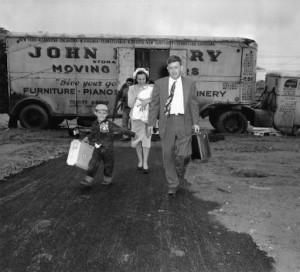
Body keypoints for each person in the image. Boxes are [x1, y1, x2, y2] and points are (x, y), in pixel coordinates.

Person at [147, 55, 200, 196]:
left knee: (184, 154)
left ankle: (179, 175)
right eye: (170, 68)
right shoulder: (159, 84)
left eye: (176, 67)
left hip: (184, 122)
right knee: (167, 155)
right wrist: (151, 123)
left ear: (181, 67)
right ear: (167, 69)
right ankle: (173, 184)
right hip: (167, 122)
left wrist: (196, 123)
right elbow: (154, 105)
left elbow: (194, 104)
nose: (173, 71)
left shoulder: (190, 83)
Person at [80, 103, 135, 187]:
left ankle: (107, 177)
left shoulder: (109, 124)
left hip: (108, 149)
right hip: (97, 148)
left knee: (108, 165)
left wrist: (132, 134)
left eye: (104, 113)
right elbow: (94, 133)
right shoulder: (94, 123)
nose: (102, 115)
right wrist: (88, 138)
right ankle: (88, 179)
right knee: (92, 164)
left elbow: (120, 130)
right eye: (99, 113)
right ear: (95, 113)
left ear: (107, 114)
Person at [128, 68, 153, 174]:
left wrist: (147, 100)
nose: (141, 81)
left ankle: (145, 162)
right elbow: (130, 105)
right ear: (136, 79)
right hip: (136, 118)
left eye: (143, 79)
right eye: (139, 79)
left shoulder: (151, 87)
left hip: (148, 117)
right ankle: (140, 160)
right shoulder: (132, 88)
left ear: (146, 79)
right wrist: (137, 93)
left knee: (147, 140)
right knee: (137, 140)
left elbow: (157, 100)